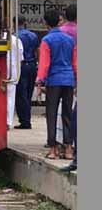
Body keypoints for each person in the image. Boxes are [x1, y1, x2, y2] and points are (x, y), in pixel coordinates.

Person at [36, 10, 77, 160]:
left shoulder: (47, 40)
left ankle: (53, 149)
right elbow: (75, 62)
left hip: (54, 81)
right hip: (69, 80)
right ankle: (68, 149)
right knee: (67, 115)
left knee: (51, 114)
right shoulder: (69, 40)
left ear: (46, 23)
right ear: (59, 22)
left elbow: (44, 64)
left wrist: (39, 81)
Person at [59, 4, 77, 172]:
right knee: (72, 116)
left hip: (58, 77)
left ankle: (67, 148)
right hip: (72, 77)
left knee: (69, 116)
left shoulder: (60, 33)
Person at [14, 17, 39, 129]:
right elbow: (37, 51)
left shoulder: (14, 36)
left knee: (21, 94)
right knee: (29, 93)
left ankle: (25, 121)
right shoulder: (33, 35)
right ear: (25, 23)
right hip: (32, 65)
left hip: (21, 66)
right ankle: (27, 118)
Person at [6, 31, 23, 130]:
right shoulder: (17, 40)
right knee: (10, 98)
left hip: (0, 70)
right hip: (13, 72)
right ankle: (8, 122)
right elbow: (21, 57)